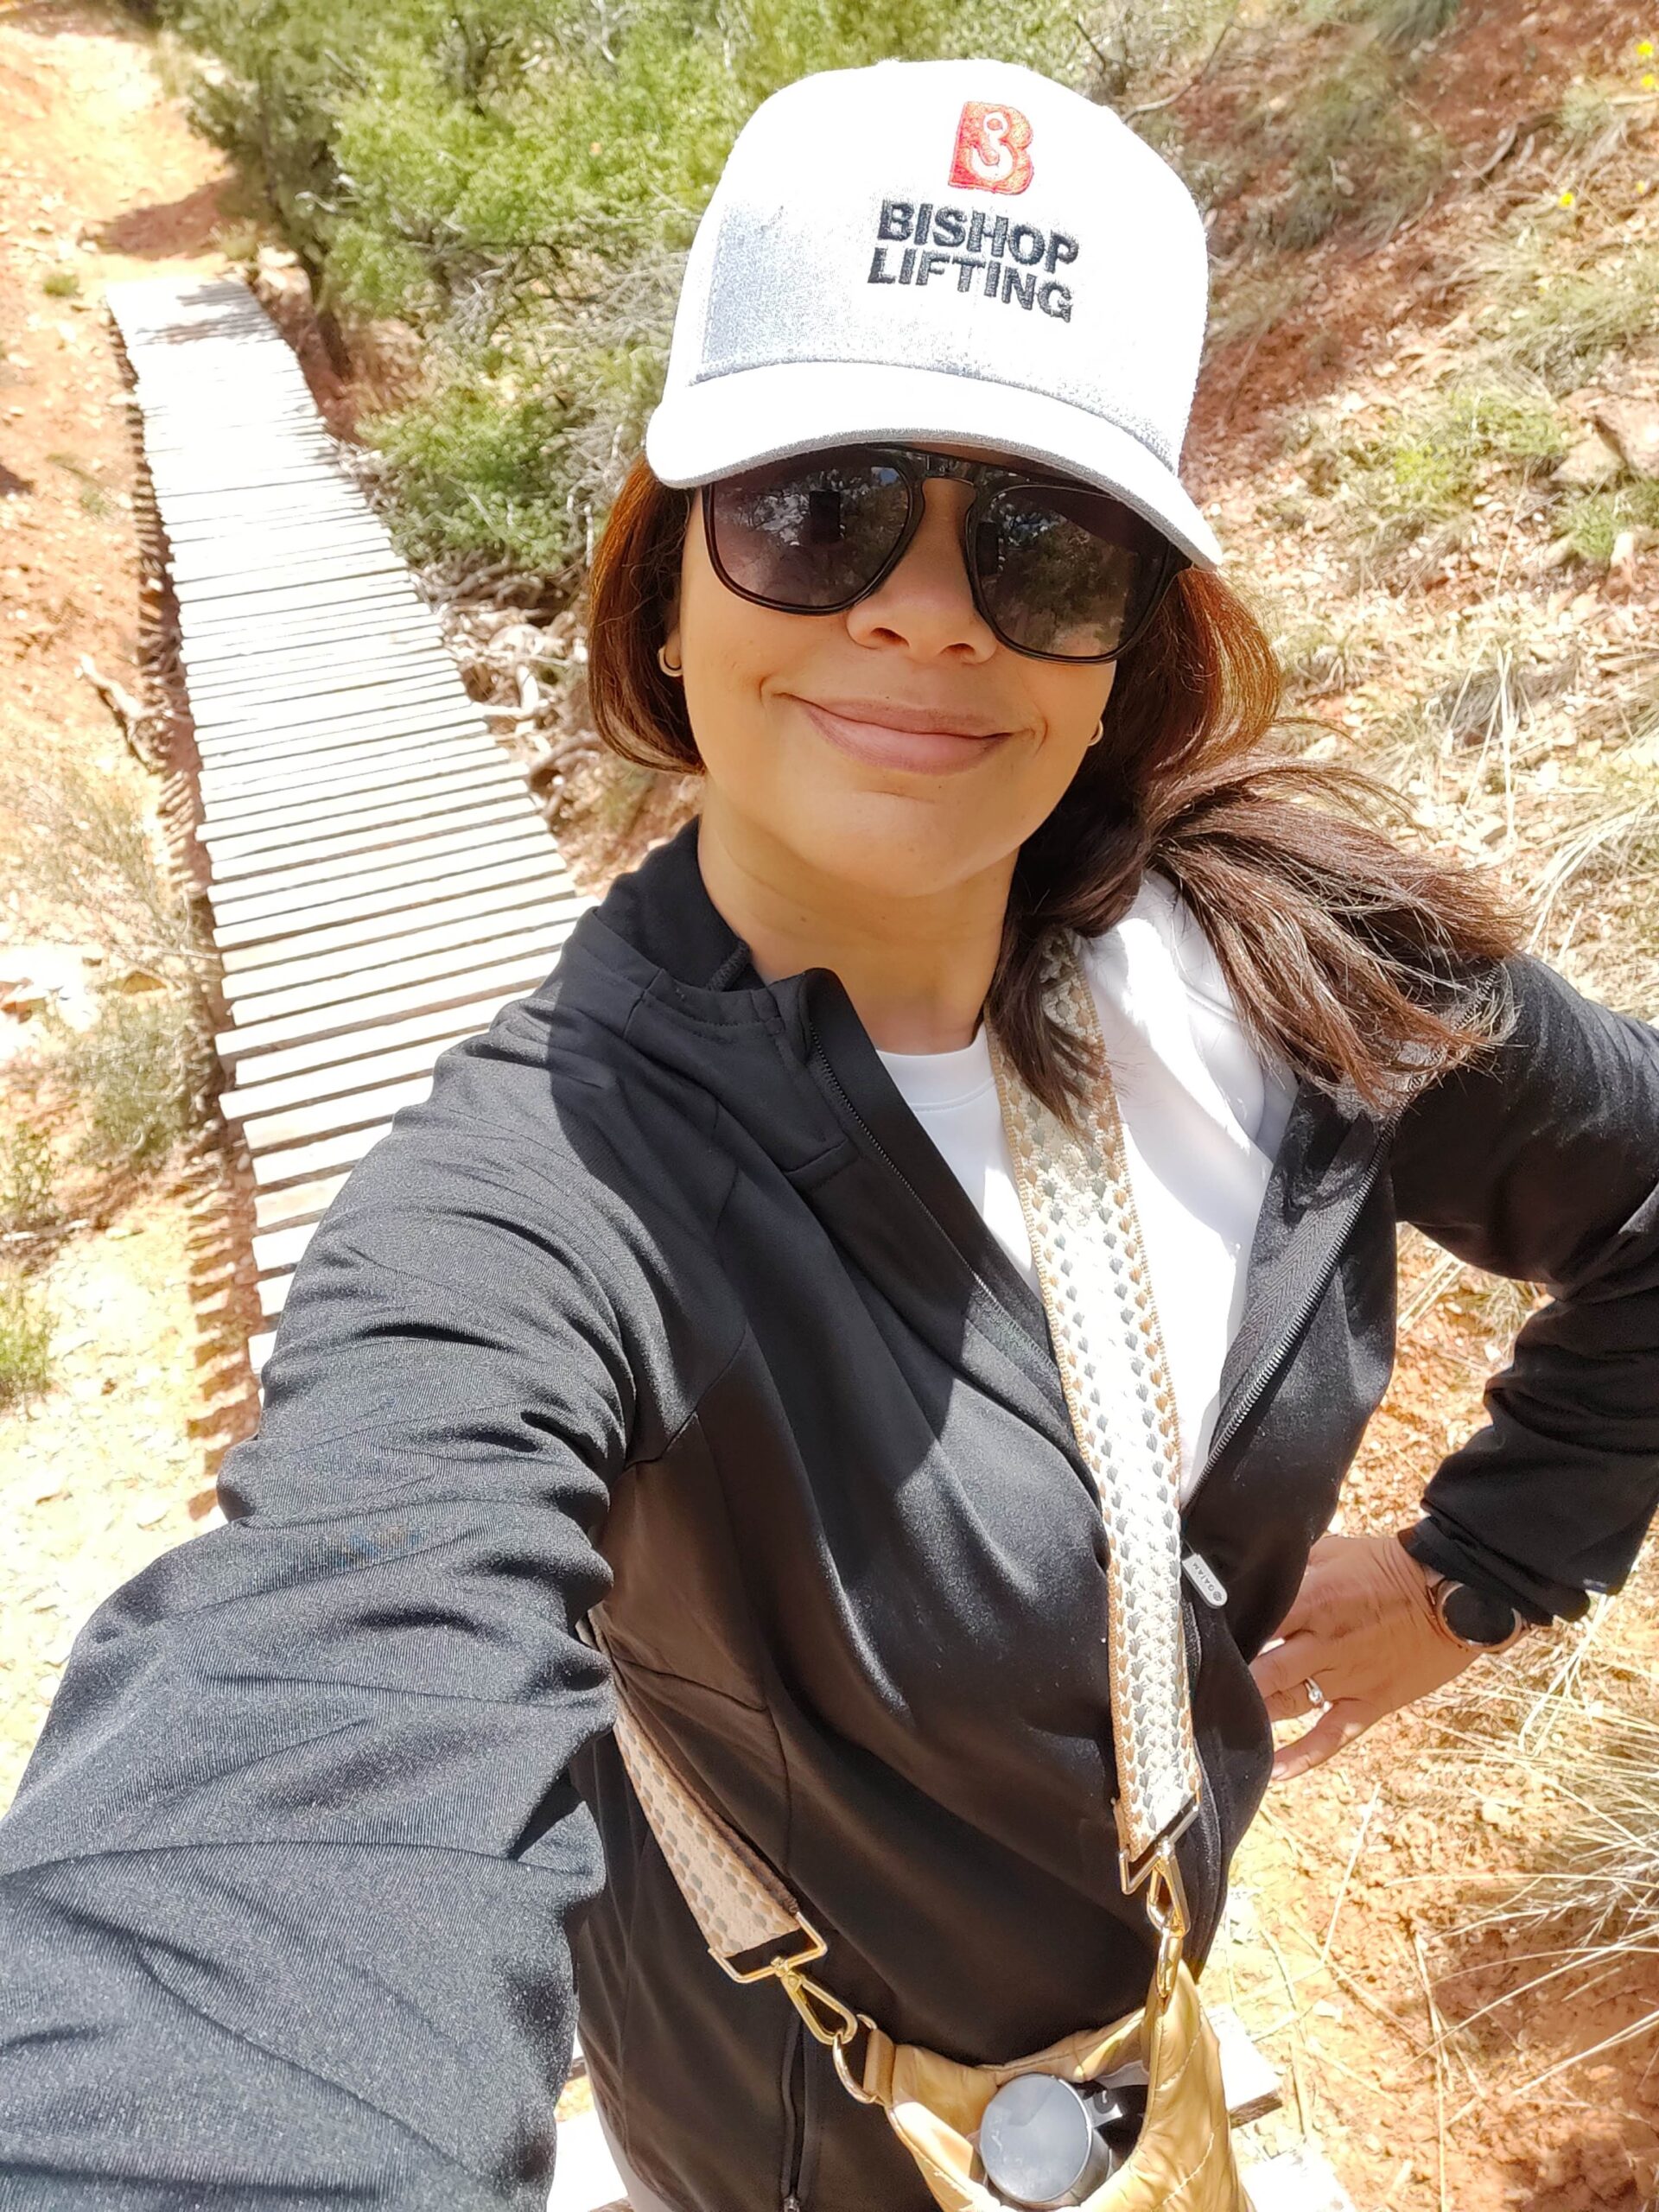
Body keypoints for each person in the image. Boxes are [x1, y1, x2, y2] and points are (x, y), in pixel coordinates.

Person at [2, 54, 1656, 2212]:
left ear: (1130, 637)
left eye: (1045, 545)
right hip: (784, 2115)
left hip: (1133, 2041)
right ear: (666, 577)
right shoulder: (539, 1199)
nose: (926, 607)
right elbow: (297, 1733)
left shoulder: (1296, 968)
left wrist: (1483, 1568)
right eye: (821, 504)